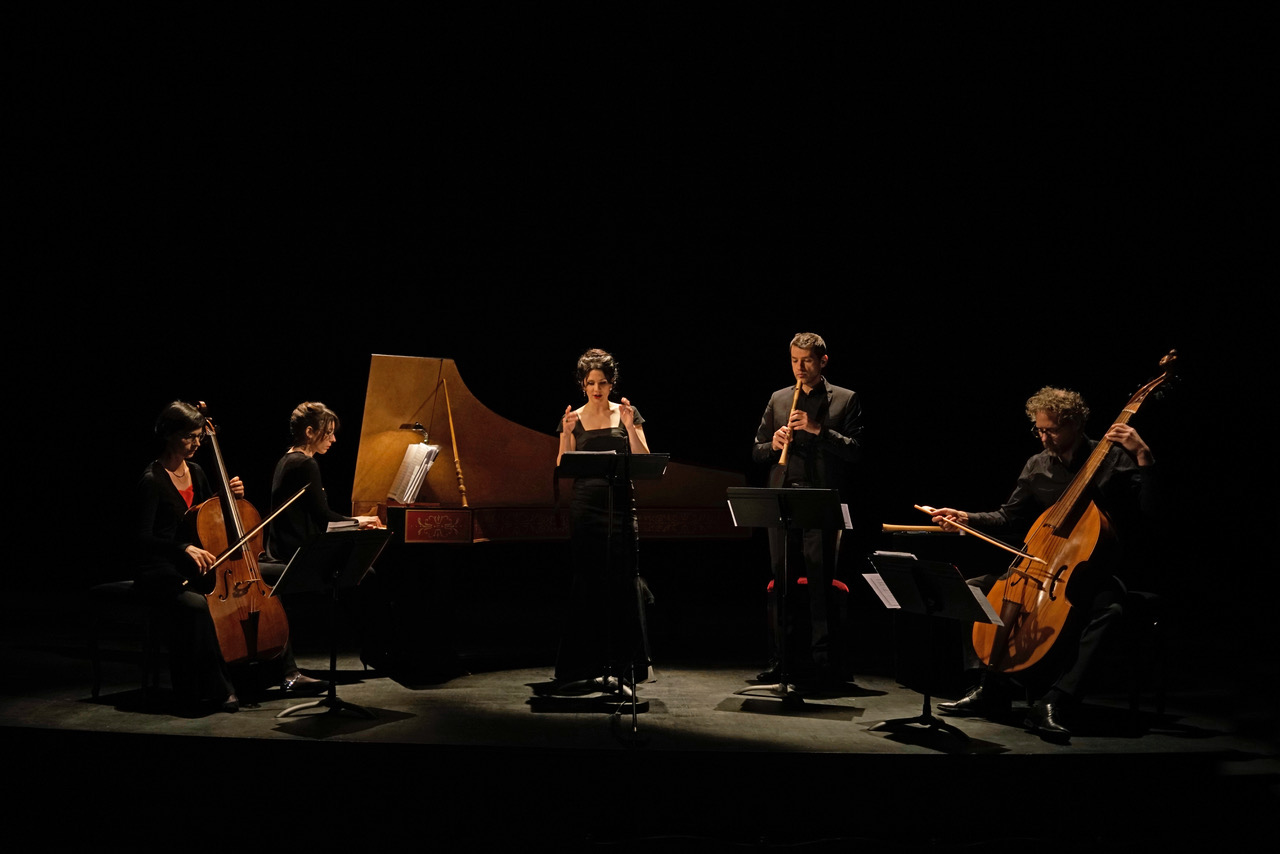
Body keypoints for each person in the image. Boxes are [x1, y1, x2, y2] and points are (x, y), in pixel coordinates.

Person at [930, 386, 1161, 740]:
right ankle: (990, 687)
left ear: (1075, 424)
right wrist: (965, 517)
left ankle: (1056, 700)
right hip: (1042, 566)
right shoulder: (1038, 465)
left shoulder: (1114, 458)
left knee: (1111, 611)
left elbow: (1151, 514)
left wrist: (1144, 456)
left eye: (1051, 430)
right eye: (1038, 429)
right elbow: (1008, 516)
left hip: (1094, 570)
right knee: (973, 589)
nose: (1043, 437)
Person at [134, 401, 319, 712]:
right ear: (168, 434)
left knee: (270, 582)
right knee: (197, 605)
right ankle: (219, 687)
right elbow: (141, 538)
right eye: (189, 436)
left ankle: (288, 672)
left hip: (203, 564)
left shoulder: (196, 471)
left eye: (199, 437)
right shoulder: (152, 480)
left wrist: (228, 497)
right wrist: (182, 548)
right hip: (162, 568)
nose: (196, 443)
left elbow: (206, 516)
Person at [752, 332, 864, 687]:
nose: (800, 368)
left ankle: (823, 662)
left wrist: (819, 431)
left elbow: (856, 450)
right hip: (783, 498)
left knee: (819, 584)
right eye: (794, 361)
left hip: (821, 500)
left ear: (823, 361)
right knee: (781, 582)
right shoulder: (779, 398)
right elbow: (756, 450)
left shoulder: (845, 399)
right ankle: (782, 660)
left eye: (807, 361)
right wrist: (773, 444)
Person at [553, 348, 651, 695]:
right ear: (583, 384)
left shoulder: (627, 413)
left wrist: (630, 426)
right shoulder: (573, 418)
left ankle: (625, 667)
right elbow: (562, 466)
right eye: (591, 383)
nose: (597, 389)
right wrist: (566, 434)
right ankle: (585, 666)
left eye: (603, 383)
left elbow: (643, 459)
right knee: (588, 583)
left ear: (612, 384)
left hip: (621, 506)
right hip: (586, 507)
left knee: (624, 582)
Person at [265, 401, 381, 564]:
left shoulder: (286, 460)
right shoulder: (306, 464)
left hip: (283, 552)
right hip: (297, 555)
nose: (333, 439)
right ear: (309, 432)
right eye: (328, 433)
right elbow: (324, 519)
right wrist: (358, 522)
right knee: (365, 569)